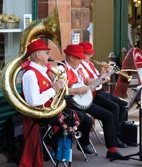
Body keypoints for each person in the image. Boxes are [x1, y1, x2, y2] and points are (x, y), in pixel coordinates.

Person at [19, 39, 93, 167]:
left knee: (82, 117)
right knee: (75, 118)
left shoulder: (41, 70)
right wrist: (54, 89)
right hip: (40, 113)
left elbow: (46, 92)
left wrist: (54, 87)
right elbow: (33, 101)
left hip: (50, 109)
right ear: (37, 55)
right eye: (46, 53)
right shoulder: (30, 74)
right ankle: (56, 149)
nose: (49, 56)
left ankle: (56, 149)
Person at [56, 44, 129, 161]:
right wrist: (76, 90)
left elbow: (87, 81)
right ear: (70, 58)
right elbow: (59, 91)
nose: (81, 61)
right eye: (78, 58)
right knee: (87, 120)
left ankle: (112, 149)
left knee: (108, 115)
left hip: (82, 100)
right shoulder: (60, 69)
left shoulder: (78, 69)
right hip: (70, 103)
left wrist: (102, 77)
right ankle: (84, 143)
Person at [78, 42, 129, 138]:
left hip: (98, 91)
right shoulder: (81, 66)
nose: (91, 55)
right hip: (92, 94)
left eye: (90, 53)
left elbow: (99, 78)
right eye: (88, 54)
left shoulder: (90, 65)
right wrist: (103, 77)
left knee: (123, 104)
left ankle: (120, 132)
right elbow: (90, 81)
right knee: (114, 107)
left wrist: (105, 72)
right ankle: (115, 135)